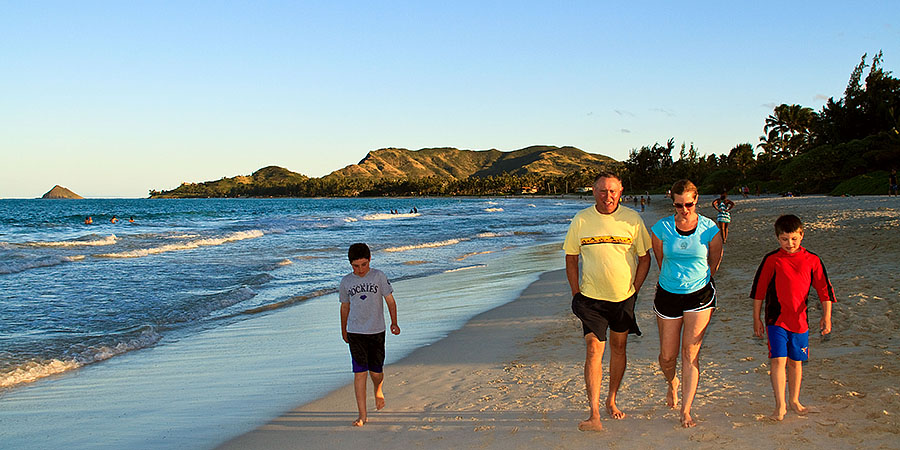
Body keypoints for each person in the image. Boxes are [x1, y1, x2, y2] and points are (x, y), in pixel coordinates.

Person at [563, 172, 652, 431]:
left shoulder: (633, 220)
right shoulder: (581, 220)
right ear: (594, 192)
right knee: (593, 350)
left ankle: (611, 400)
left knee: (619, 347)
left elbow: (644, 258)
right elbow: (571, 257)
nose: (608, 196)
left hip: (622, 298)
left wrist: (634, 290)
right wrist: (575, 292)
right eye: (602, 191)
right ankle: (593, 413)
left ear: (621, 191)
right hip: (590, 299)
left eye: (612, 191)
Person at [650, 179, 723, 428]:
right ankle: (672, 383)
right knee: (667, 357)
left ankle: (686, 409)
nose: (684, 210)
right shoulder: (661, 229)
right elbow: (660, 259)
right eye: (678, 205)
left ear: (696, 200)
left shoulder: (709, 228)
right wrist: (675, 280)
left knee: (690, 353)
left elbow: (715, 259)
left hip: (699, 296)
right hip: (668, 294)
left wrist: (699, 280)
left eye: (689, 204)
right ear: (673, 203)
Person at [750, 214, 835, 421]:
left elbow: (825, 290)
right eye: (784, 239)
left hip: (800, 321)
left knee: (796, 362)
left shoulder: (812, 260)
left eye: (794, 239)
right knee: (778, 360)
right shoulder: (772, 260)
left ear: (802, 235)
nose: (790, 244)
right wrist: (756, 318)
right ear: (777, 238)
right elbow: (759, 291)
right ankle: (780, 406)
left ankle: (794, 401)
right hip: (776, 319)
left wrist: (827, 317)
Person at [339, 243, 401, 427]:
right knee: (359, 373)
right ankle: (362, 415)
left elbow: (390, 301)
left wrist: (394, 322)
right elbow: (344, 307)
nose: (360, 269)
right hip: (355, 332)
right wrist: (343, 329)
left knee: (376, 372)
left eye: (363, 265)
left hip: (376, 331)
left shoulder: (378, 276)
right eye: (355, 266)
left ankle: (378, 388)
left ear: (370, 260)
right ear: (350, 264)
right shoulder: (346, 282)